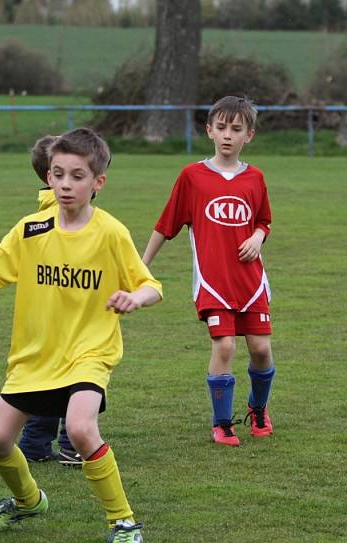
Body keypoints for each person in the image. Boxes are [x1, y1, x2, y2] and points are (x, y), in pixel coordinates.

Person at [0, 128, 162, 543]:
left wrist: (134, 297)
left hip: (89, 352)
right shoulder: (32, 228)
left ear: (98, 183)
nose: (64, 183)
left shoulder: (111, 233)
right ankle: (28, 502)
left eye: (77, 176)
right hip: (34, 356)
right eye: (57, 174)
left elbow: (151, 284)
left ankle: (124, 522)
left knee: (81, 428)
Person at [141, 95, 275, 448]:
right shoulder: (193, 176)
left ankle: (258, 409)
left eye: (236, 129)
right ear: (209, 131)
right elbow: (165, 225)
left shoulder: (255, 178)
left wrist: (259, 237)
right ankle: (222, 424)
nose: (228, 135)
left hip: (251, 282)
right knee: (226, 347)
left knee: (261, 348)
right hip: (214, 284)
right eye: (221, 128)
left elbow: (263, 220)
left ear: (250, 135)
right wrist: (141, 267)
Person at [18, 134, 81, 467]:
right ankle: (73, 445)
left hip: (45, 317)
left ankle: (34, 444)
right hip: (71, 313)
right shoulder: (60, 216)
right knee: (81, 380)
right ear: (52, 177)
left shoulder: (44, 212)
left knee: (48, 379)